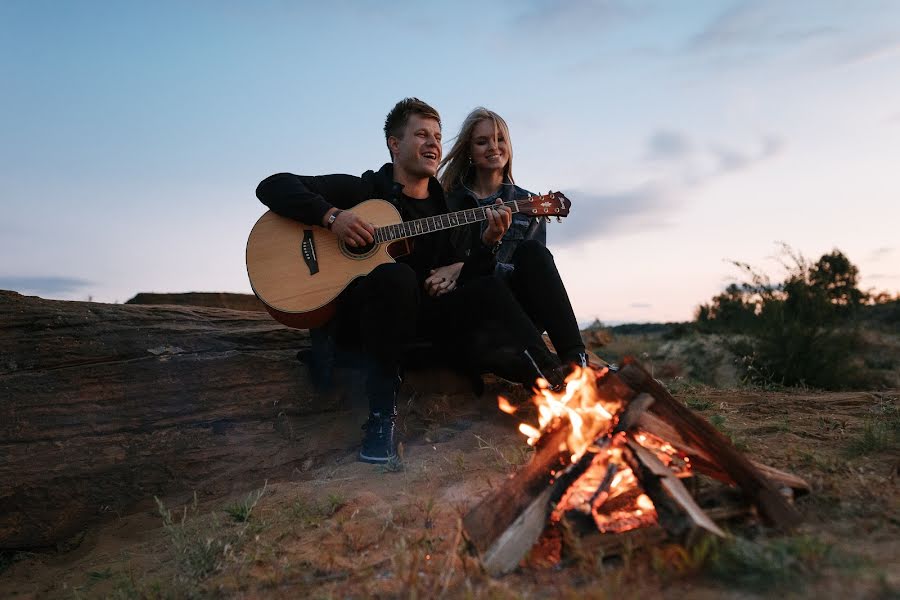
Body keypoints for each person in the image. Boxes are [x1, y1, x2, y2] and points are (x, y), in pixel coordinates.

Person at [256, 98, 564, 464]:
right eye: (421, 134)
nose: (434, 143)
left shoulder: (445, 211)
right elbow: (272, 186)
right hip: (357, 327)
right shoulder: (362, 191)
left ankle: (558, 384)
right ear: (394, 144)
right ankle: (380, 419)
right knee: (396, 275)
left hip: (418, 329)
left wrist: (487, 245)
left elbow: (472, 286)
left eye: (436, 135)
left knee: (486, 288)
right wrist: (332, 217)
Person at [438, 107, 587, 369]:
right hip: (473, 308)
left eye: (500, 139)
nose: (493, 147)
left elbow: (534, 275)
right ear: (469, 151)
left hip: (519, 308)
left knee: (534, 252)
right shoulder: (448, 201)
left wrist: (467, 264)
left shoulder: (527, 204)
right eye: (482, 141)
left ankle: (577, 362)